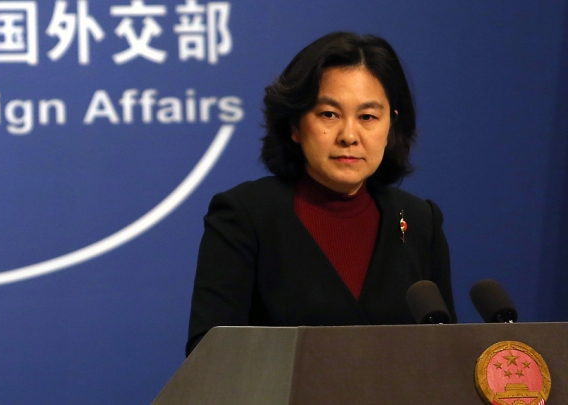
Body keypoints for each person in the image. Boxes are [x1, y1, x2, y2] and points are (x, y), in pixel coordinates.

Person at [186, 32, 456, 356]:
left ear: (391, 127)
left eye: (368, 117)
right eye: (329, 114)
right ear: (295, 125)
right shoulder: (244, 217)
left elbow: (445, 354)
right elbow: (209, 358)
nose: (349, 136)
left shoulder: (420, 221)